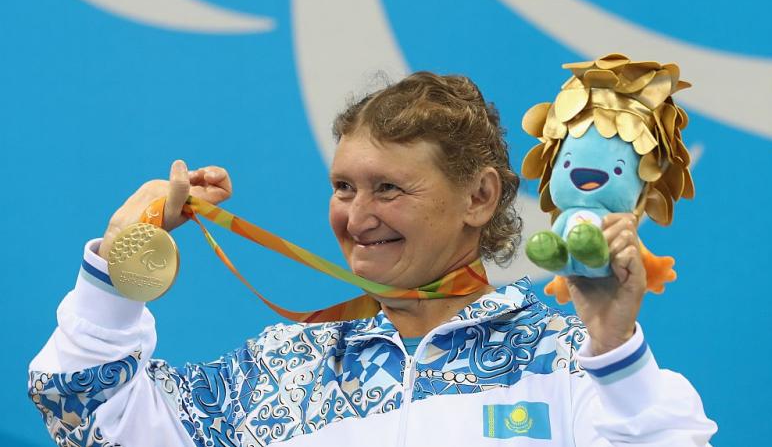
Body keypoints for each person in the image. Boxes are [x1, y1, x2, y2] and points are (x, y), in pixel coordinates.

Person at [28, 72, 716, 446]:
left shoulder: (567, 363)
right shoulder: (279, 370)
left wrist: (616, 347)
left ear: (478, 197)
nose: (357, 218)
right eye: (343, 188)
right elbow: (87, 416)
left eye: (389, 188)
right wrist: (120, 264)